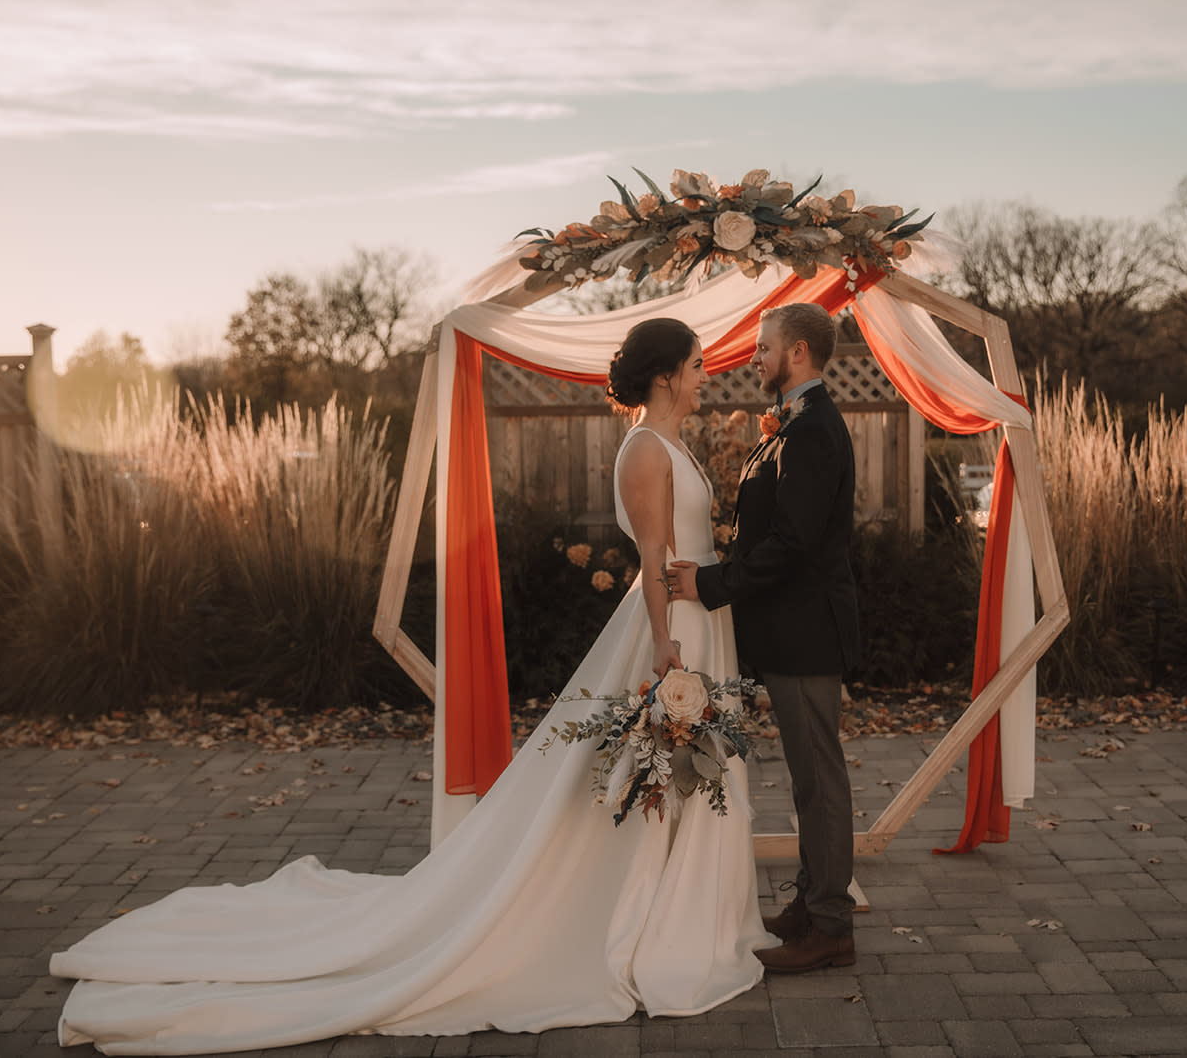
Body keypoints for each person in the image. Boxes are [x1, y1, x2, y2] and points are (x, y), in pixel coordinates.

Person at [49, 317, 771, 1054]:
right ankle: (655, 921)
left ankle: (689, 914)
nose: (704, 373)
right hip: (669, 629)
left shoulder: (673, 442)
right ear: (663, 375)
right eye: (695, 363)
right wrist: (663, 645)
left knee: (678, 773)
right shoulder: (645, 449)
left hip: (699, 616)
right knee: (650, 775)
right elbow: (653, 555)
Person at [668, 302, 861, 973]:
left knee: (819, 781)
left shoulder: (812, 433)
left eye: (763, 347)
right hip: (789, 632)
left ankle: (832, 925)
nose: (753, 357)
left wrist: (711, 584)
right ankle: (811, 904)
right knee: (809, 780)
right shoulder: (796, 425)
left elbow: (793, 545)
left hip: (807, 634)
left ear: (799, 353)